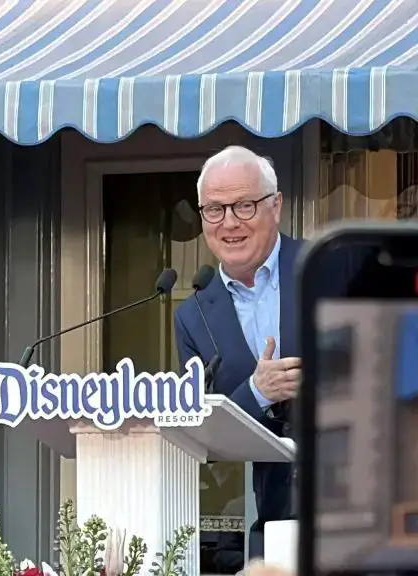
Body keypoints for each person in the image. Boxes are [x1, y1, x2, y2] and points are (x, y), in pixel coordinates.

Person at [174, 146, 302, 560]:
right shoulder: (193, 316)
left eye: (244, 205)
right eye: (214, 209)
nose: (229, 223)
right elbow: (205, 437)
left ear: (275, 206)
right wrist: (258, 392)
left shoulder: (328, 266)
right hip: (274, 522)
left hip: (361, 508)